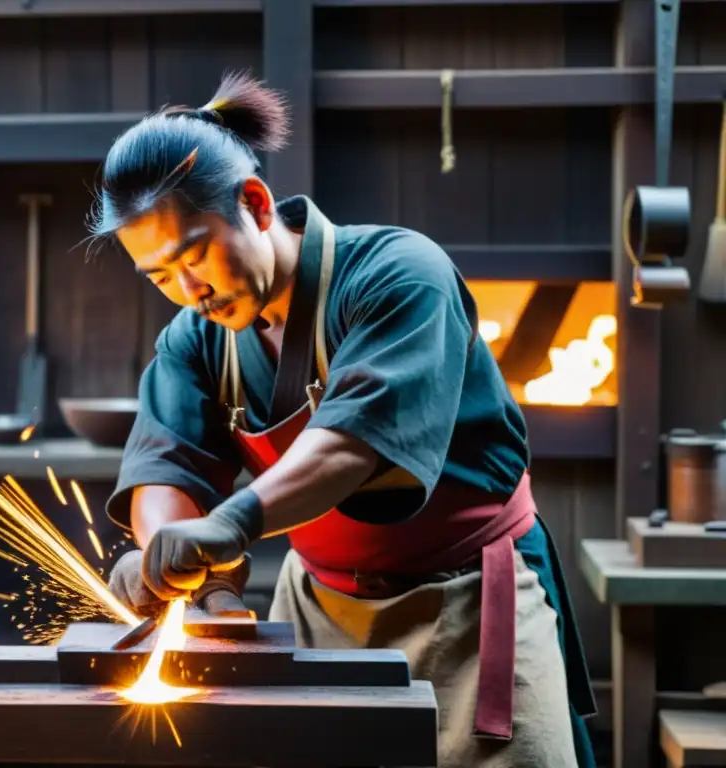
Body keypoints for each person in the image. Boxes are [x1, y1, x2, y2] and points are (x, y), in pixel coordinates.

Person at [91, 71, 597, 768]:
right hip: (316, 605)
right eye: (158, 276)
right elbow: (167, 462)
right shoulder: (194, 337)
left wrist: (229, 526)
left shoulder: (399, 274)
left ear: (256, 202)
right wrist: (180, 564)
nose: (188, 290)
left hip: (468, 600)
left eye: (194, 255)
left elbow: (351, 447)